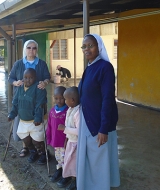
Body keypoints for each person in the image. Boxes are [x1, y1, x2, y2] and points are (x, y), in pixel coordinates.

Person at [76, 34, 120, 190]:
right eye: (84, 46)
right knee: (91, 157)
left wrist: (103, 128)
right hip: (88, 118)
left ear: (99, 47)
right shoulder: (90, 67)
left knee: (99, 158)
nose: (87, 49)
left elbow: (108, 98)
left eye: (91, 45)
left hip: (99, 122)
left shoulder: (105, 67)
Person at [8, 39, 50, 158]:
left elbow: (48, 77)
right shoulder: (18, 64)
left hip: (38, 98)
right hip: (22, 98)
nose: (31, 50)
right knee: (23, 123)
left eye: (34, 48)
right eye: (29, 47)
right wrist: (15, 82)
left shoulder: (41, 63)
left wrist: (45, 83)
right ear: (25, 49)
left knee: (38, 123)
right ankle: (26, 147)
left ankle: (40, 148)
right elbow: (10, 78)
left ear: (37, 50)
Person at [8, 68, 50, 165]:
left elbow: (40, 104)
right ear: (23, 78)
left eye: (31, 78)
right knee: (26, 139)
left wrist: (38, 118)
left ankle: (43, 153)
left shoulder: (39, 88)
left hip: (35, 121)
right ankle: (33, 152)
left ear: (35, 78)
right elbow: (15, 102)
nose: (28, 80)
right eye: (26, 77)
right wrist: (12, 114)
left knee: (37, 140)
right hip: (23, 121)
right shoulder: (20, 88)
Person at [57, 86, 80, 190]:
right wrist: (66, 139)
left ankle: (75, 182)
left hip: (76, 143)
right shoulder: (70, 109)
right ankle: (68, 177)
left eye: (65, 99)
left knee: (74, 162)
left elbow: (79, 131)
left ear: (73, 100)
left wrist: (65, 128)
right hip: (70, 141)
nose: (64, 101)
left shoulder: (78, 112)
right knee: (68, 160)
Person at [46, 86, 68, 183]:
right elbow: (49, 126)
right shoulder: (52, 111)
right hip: (55, 140)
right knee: (58, 157)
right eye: (56, 98)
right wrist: (48, 137)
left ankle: (65, 174)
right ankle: (59, 170)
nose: (59, 101)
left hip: (64, 142)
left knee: (65, 158)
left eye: (62, 98)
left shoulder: (68, 111)